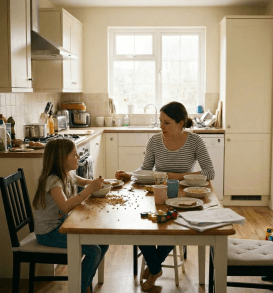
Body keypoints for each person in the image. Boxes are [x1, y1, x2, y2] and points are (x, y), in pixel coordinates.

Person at [115, 101, 215, 291]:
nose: (161, 127)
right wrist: (130, 174)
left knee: (174, 227)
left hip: (184, 196)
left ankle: (153, 271)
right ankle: (155, 268)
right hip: (156, 194)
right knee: (137, 224)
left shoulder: (195, 141)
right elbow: (145, 169)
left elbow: (209, 173)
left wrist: (175, 176)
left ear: (181, 123)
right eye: (160, 121)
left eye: (167, 122)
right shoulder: (154, 140)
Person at [33, 138, 109, 293]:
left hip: (62, 227)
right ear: (62, 159)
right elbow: (66, 206)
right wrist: (90, 189)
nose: (78, 157)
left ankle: (86, 282)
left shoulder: (67, 174)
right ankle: (80, 288)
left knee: (103, 241)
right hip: (49, 232)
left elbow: (83, 182)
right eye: (74, 155)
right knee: (94, 251)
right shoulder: (53, 181)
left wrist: (96, 182)